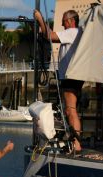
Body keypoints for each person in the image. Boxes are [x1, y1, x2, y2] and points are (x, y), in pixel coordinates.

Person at [34, 9, 84, 151]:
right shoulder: (75, 33)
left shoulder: (73, 32)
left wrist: (40, 19)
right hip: (70, 76)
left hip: (71, 77)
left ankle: (77, 144)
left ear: (71, 21)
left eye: (63, 21)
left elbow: (49, 36)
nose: (62, 24)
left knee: (71, 110)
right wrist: (42, 24)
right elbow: (48, 34)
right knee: (69, 110)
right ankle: (74, 142)